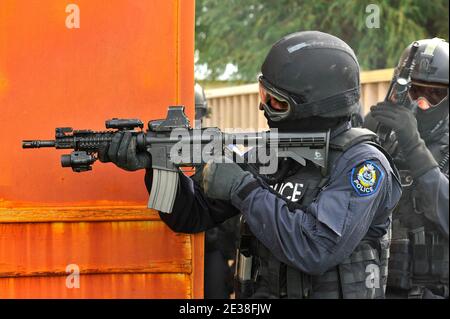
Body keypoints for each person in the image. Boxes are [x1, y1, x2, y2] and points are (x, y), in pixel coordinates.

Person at [99, 31, 402, 299]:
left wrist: (243, 189)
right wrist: (158, 166)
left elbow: (315, 248)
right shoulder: (273, 152)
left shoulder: (363, 164)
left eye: (276, 102)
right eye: (263, 94)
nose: (263, 108)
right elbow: (190, 217)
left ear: (314, 108)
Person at [364, 38, 449, 299]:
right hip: (382, 284)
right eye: (415, 92)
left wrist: (413, 145)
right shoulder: (386, 133)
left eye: (435, 94)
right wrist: (367, 136)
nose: (422, 103)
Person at [195, 83, 239, 299]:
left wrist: (235, 261)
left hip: (212, 246)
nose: (194, 119)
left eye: (197, 112)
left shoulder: (221, 147)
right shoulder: (167, 144)